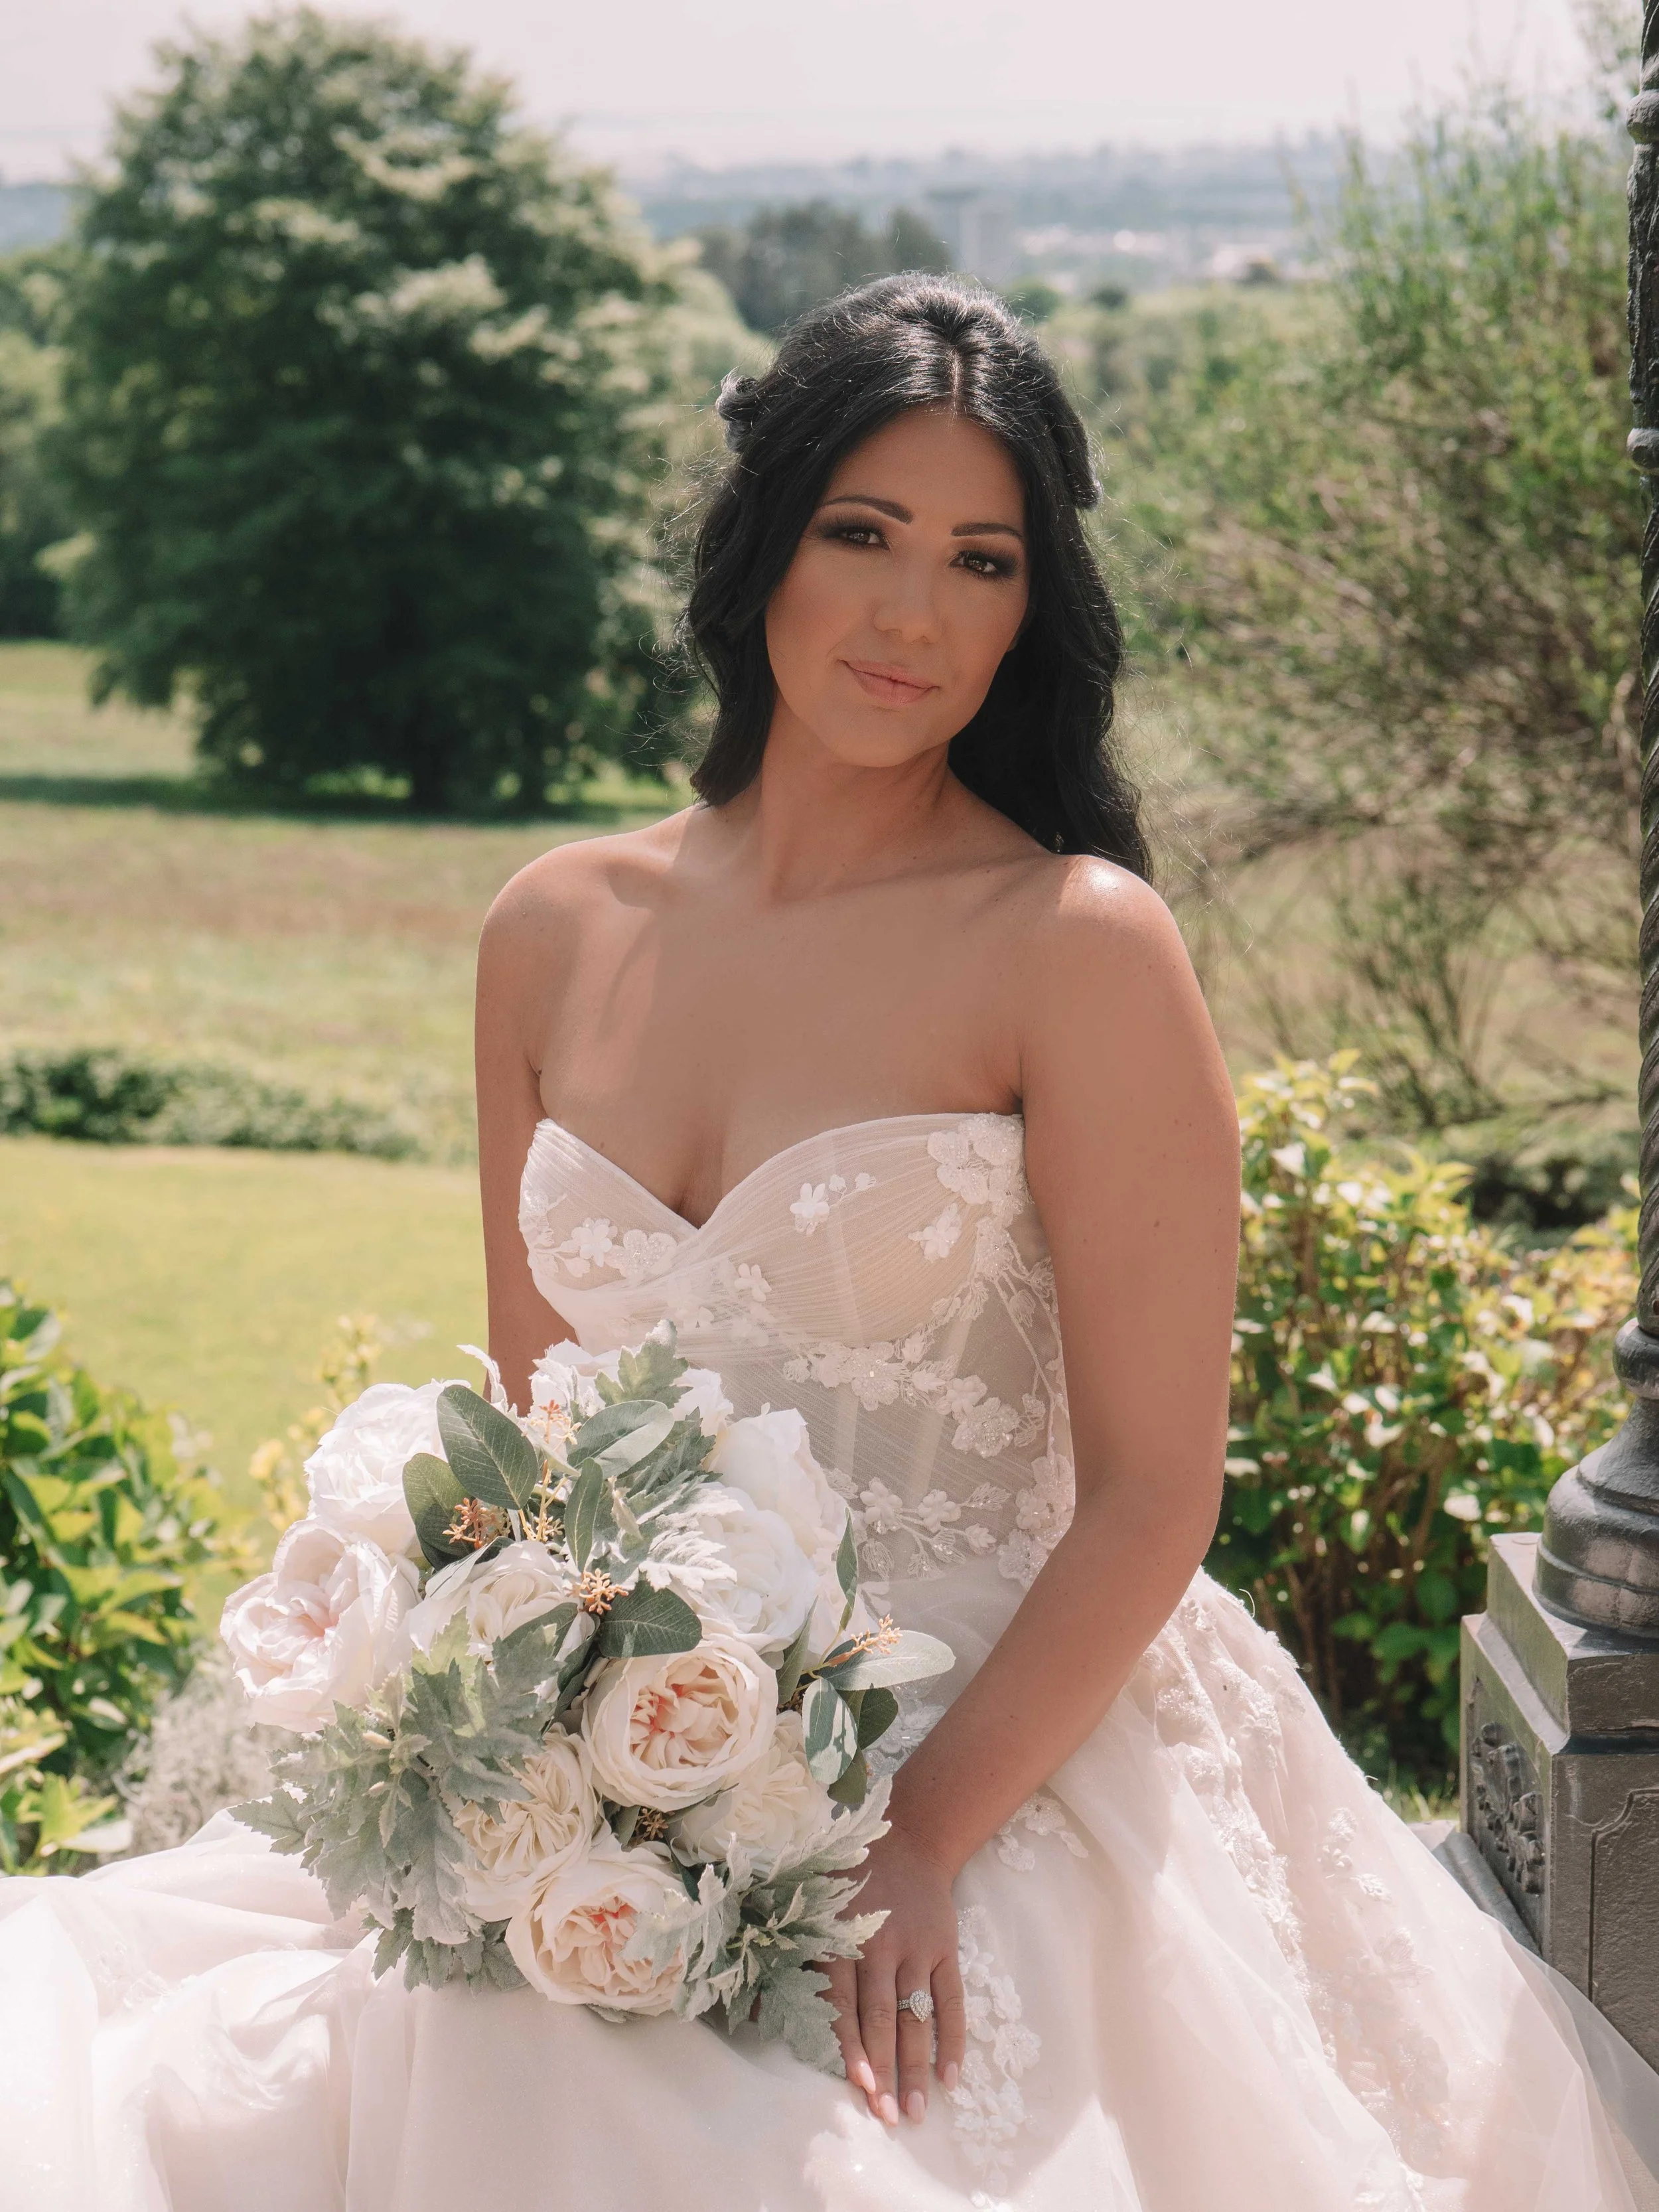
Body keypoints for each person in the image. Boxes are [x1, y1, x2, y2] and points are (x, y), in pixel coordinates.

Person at [0, 274, 1650, 2211]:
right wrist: (530, 1744)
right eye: (860, 533)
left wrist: (921, 1837)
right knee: (368, 2044)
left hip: (995, 1739)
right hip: (620, 1736)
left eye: (978, 559)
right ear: (758, 543)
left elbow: (1149, 1490)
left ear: (1030, 608)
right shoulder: (551, 929)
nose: (910, 612)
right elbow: (542, 1441)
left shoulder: (1073, 945)